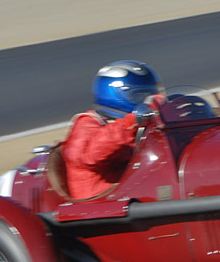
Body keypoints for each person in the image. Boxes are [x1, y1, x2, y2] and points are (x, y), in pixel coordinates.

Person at [62, 60, 165, 200]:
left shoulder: (141, 123)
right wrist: (132, 121)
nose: (147, 101)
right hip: (101, 207)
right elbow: (90, 154)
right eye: (141, 96)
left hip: (132, 195)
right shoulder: (86, 123)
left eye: (151, 95)